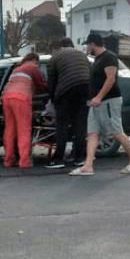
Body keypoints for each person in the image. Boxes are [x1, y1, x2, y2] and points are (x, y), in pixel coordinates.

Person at [70, 33, 130, 176]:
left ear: (93, 44)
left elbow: (111, 79)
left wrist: (99, 97)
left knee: (117, 132)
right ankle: (88, 166)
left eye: (87, 45)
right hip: (96, 103)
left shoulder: (109, 57)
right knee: (92, 133)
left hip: (109, 100)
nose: (87, 48)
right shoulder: (98, 59)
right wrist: (93, 98)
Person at [46, 37, 90, 169]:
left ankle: (58, 159)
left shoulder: (54, 57)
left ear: (56, 48)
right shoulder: (82, 55)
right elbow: (89, 73)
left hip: (66, 90)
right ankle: (80, 158)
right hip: (85, 89)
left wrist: (53, 100)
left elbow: (51, 83)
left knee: (62, 125)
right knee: (80, 124)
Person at [1, 53, 47, 169]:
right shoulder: (33, 67)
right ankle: (24, 161)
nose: (37, 65)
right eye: (37, 62)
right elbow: (42, 85)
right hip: (21, 98)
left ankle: (8, 160)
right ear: (34, 60)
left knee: (9, 130)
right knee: (24, 130)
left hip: (6, 98)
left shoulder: (16, 69)